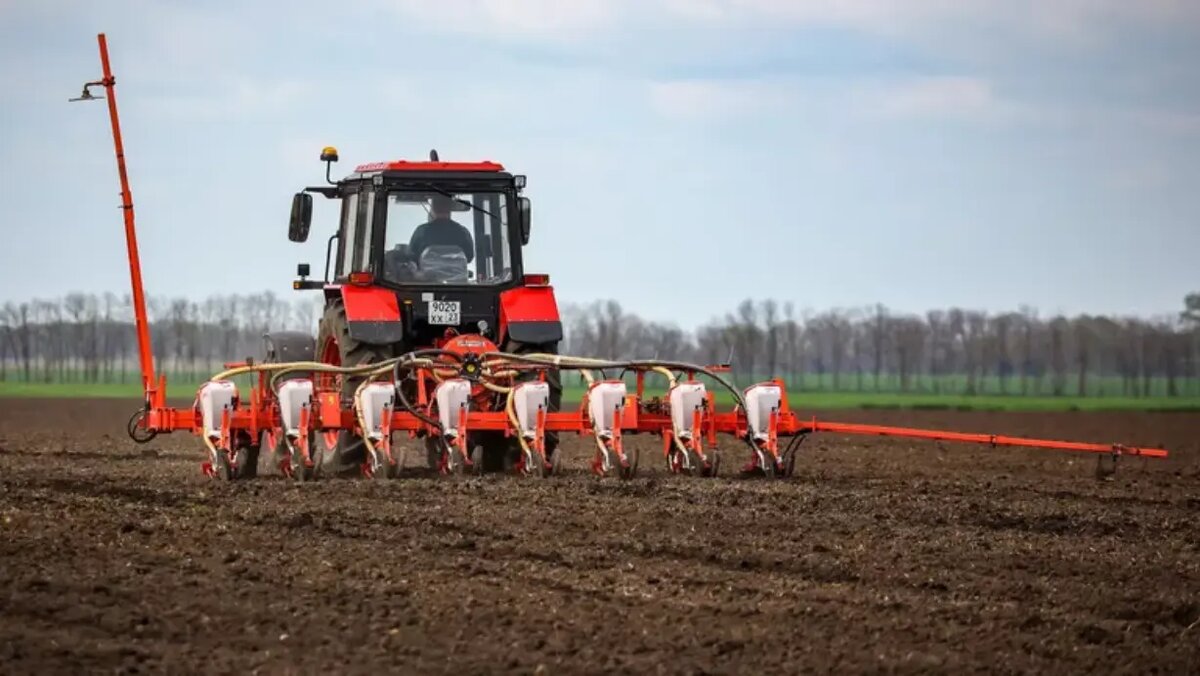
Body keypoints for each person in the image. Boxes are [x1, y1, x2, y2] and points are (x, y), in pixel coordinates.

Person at [408, 195, 475, 264]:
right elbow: (469, 257)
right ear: (450, 208)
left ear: (433, 208)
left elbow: (412, 256)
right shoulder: (463, 232)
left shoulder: (421, 232)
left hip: (427, 271)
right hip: (456, 271)